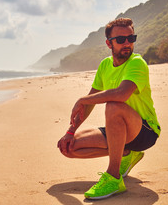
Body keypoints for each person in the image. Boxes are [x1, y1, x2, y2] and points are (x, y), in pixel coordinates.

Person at [57, 17, 161, 200]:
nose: (127, 43)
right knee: (69, 148)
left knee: (113, 105)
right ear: (109, 43)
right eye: (121, 40)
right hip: (119, 130)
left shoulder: (137, 63)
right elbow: (88, 104)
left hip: (145, 131)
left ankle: (113, 177)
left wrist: (82, 99)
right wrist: (71, 131)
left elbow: (121, 94)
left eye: (131, 38)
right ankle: (127, 153)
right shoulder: (105, 65)